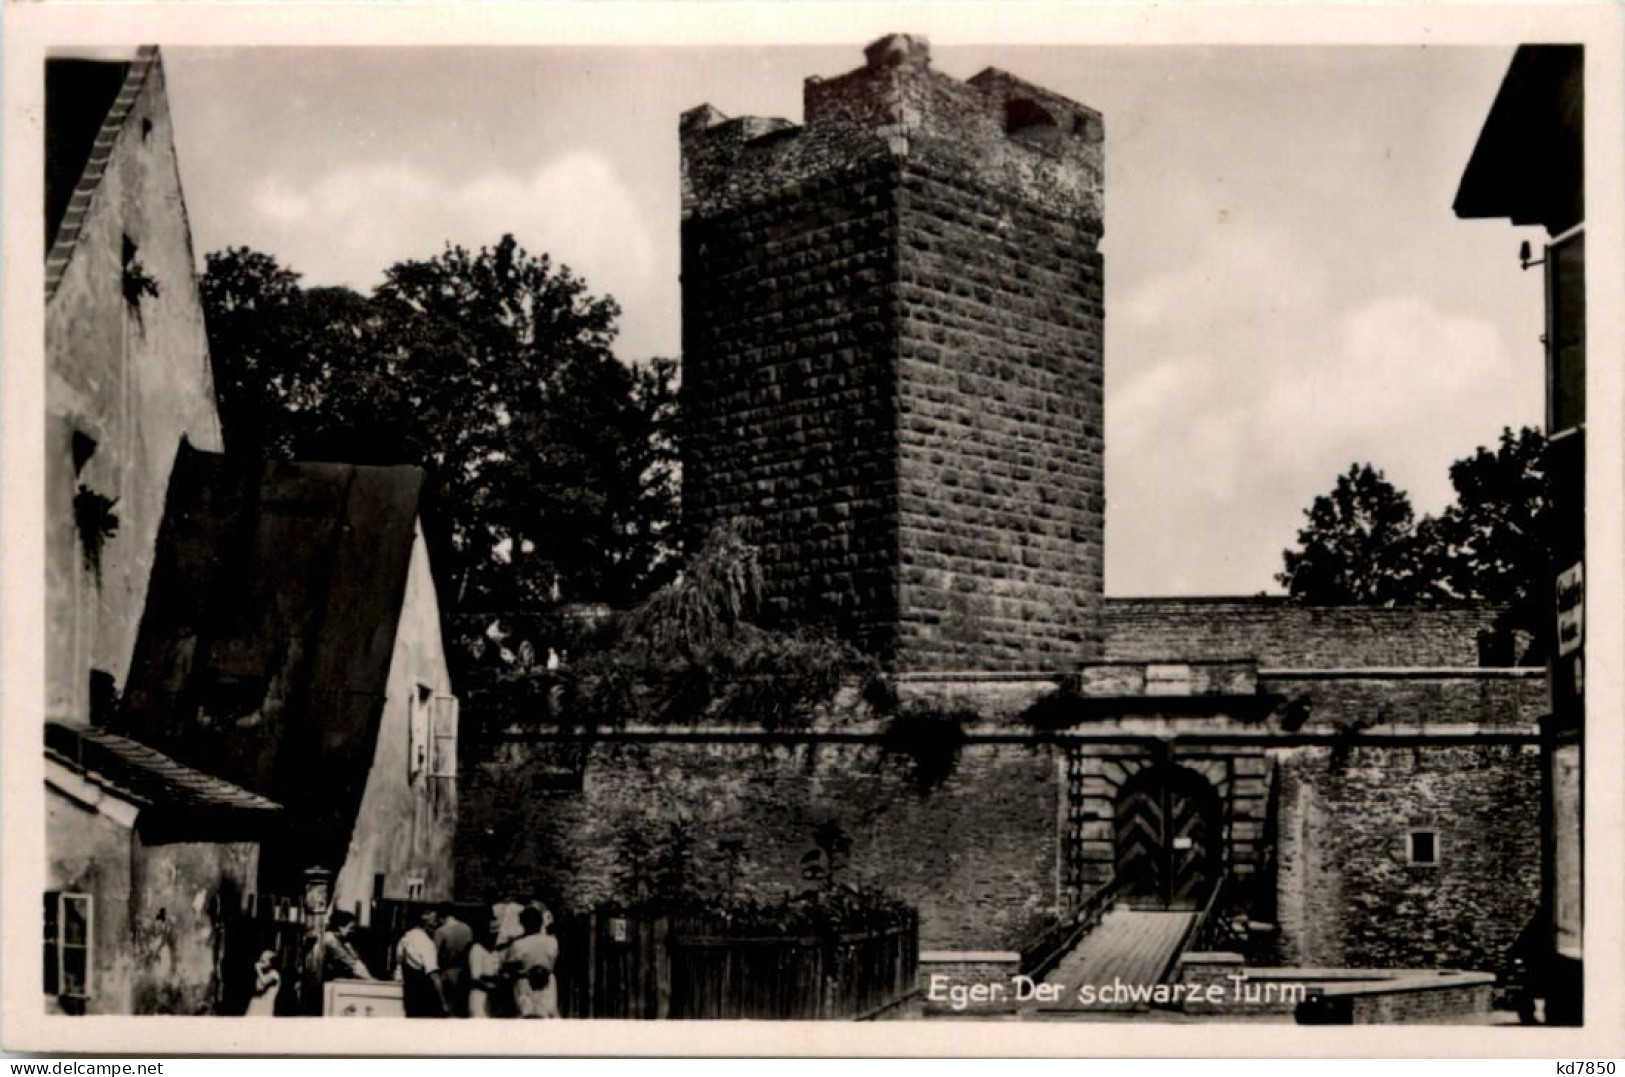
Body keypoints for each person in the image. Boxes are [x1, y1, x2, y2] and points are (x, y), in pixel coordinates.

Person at [502, 905, 559, 1019]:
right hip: (547, 982)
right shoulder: (552, 941)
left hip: (525, 983)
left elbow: (509, 967)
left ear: (523, 924)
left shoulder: (518, 945)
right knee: (547, 1014)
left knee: (526, 1015)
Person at [395, 907, 448, 1017]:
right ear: (425, 921)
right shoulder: (426, 942)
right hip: (424, 996)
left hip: (409, 994)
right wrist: (443, 1002)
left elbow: (399, 965)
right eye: (434, 921)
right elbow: (433, 974)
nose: (436, 924)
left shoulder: (405, 938)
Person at [433, 903, 474, 1017]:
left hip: (447, 973)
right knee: (462, 1008)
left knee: (449, 1008)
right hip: (465, 972)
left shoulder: (440, 931)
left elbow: (435, 955)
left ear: (442, 916)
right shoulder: (467, 929)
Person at [465, 919, 503, 1018]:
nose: (495, 935)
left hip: (493, 997)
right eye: (492, 932)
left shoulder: (494, 950)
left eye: (497, 932)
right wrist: (490, 987)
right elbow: (475, 978)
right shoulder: (477, 949)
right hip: (479, 995)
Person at [245, 949, 282, 1017]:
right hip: (257, 1004)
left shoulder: (274, 974)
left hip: (265, 1006)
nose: (260, 963)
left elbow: (264, 981)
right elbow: (258, 987)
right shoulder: (264, 973)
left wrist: (258, 969)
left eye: (263, 961)